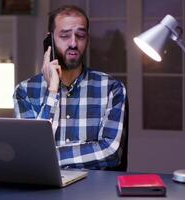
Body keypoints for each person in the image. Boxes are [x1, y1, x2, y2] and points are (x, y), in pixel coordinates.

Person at [13, 5, 126, 170]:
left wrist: (46, 157)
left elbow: (110, 151)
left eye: (80, 35)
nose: (73, 43)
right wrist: (52, 90)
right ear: (49, 41)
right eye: (65, 36)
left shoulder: (112, 89)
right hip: (43, 192)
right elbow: (31, 149)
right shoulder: (24, 91)